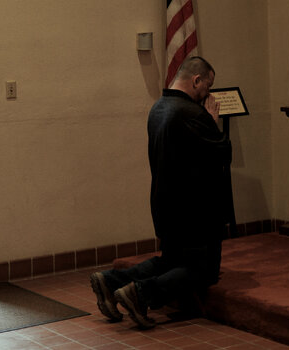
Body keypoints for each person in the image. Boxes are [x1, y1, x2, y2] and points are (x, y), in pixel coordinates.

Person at [90, 56, 233, 329]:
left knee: (171, 261)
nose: (208, 93)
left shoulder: (158, 107)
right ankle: (140, 294)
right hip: (193, 210)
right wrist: (212, 122)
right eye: (208, 85)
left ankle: (110, 281)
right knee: (203, 270)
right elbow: (222, 154)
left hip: (164, 203)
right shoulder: (192, 114)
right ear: (196, 80)